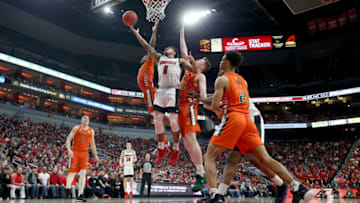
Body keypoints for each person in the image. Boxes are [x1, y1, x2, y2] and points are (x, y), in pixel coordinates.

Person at [203, 51, 313, 203]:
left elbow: (216, 103)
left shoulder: (222, 80)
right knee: (238, 158)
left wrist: (204, 101)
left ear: (227, 63)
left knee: (242, 158)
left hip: (247, 117)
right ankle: (296, 186)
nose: (220, 63)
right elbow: (216, 98)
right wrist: (202, 99)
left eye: (222, 60)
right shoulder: (241, 81)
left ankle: (216, 194)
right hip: (245, 120)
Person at [130, 25, 195, 165]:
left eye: (170, 48)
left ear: (174, 52)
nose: (167, 49)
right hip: (158, 91)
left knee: (170, 119)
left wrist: (193, 63)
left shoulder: (176, 61)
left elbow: (194, 71)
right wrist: (135, 33)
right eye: (166, 48)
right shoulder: (158, 59)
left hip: (166, 91)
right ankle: (162, 147)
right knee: (158, 119)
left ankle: (175, 148)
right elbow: (148, 47)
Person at [178, 24, 211, 191]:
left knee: (191, 139)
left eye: (201, 61)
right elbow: (184, 52)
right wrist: (182, 32)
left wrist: (204, 100)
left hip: (190, 108)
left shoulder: (200, 77)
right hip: (181, 108)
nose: (197, 60)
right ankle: (198, 172)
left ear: (203, 67)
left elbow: (204, 97)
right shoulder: (189, 71)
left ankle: (201, 173)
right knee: (187, 143)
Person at [65, 115, 99, 202]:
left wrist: (96, 155)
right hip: (75, 152)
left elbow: (93, 145)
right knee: (72, 173)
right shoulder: (76, 128)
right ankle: (67, 190)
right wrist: (69, 150)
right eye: (84, 118)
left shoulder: (91, 131)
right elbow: (68, 139)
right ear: (81, 120)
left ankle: (80, 194)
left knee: (83, 174)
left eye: (88, 118)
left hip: (85, 153)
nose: (86, 119)